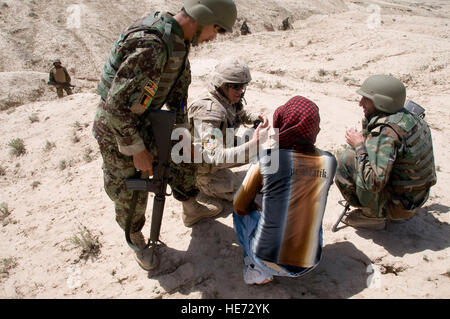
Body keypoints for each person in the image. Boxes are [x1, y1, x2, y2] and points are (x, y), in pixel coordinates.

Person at [92, 0, 238, 271]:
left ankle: (190, 207)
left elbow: (178, 95)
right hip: (117, 126)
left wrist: (182, 135)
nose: (212, 37)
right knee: (130, 187)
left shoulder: (178, 43)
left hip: (147, 116)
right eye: (215, 29)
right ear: (203, 17)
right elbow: (115, 106)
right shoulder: (152, 44)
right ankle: (135, 238)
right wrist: (136, 148)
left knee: (183, 154)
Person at [233, 96, 337, 285]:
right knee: (309, 204)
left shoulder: (267, 160)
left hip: (267, 261)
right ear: (314, 129)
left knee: (240, 212)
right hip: (310, 262)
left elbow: (240, 205)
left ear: (282, 124)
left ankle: (254, 267)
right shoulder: (329, 161)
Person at [335, 74, 437, 230]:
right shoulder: (412, 119)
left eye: (366, 99)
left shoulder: (387, 133)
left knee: (346, 156)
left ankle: (372, 215)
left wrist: (359, 146)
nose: (360, 103)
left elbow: (373, 182)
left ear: (381, 102)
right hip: (417, 198)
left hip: (399, 207)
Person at [187, 58, 269, 226]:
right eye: (236, 86)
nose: (241, 90)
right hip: (202, 166)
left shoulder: (226, 98)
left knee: (255, 149)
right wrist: (252, 144)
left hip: (222, 145)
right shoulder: (209, 113)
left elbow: (239, 113)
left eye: (243, 86)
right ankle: (200, 186)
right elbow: (214, 157)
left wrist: (256, 118)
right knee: (241, 191)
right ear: (222, 85)